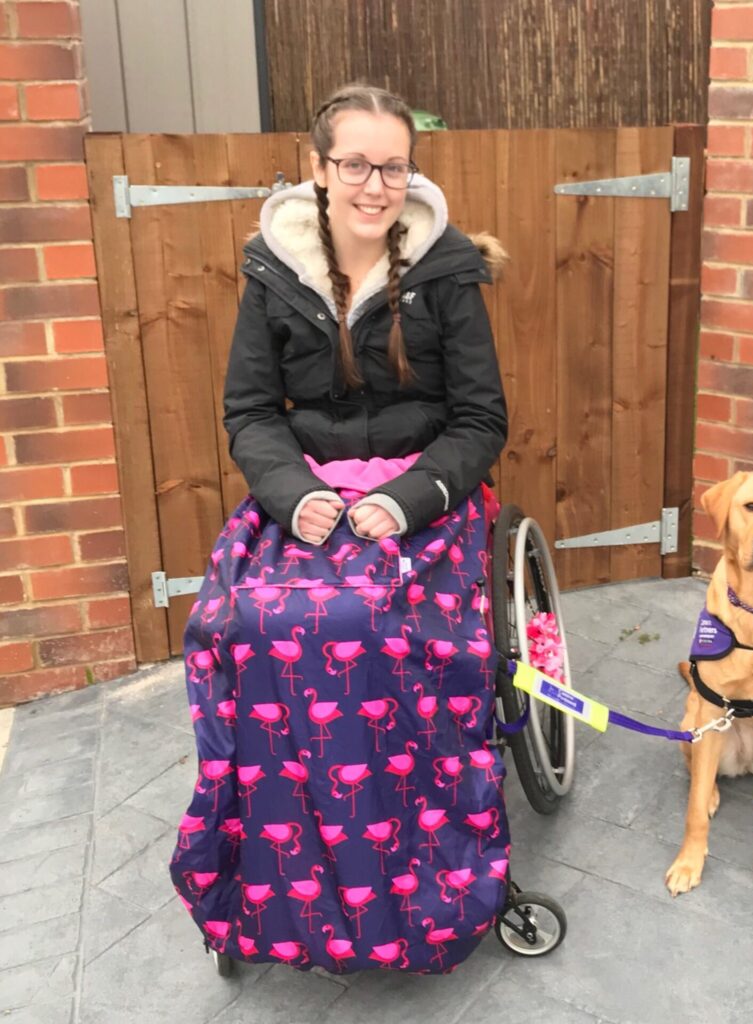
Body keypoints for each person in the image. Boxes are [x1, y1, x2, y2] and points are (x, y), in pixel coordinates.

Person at [169, 83, 512, 976]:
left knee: (367, 627)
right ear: (319, 169)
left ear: (410, 171)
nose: (375, 183)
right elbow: (249, 409)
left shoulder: (446, 271)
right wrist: (288, 492)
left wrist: (408, 495)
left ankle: (412, 880)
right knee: (246, 626)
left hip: (421, 499)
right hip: (308, 498)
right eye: (354, 163)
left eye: (392, 165)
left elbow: (480, 420)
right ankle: (272, 884)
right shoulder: (273, 271)